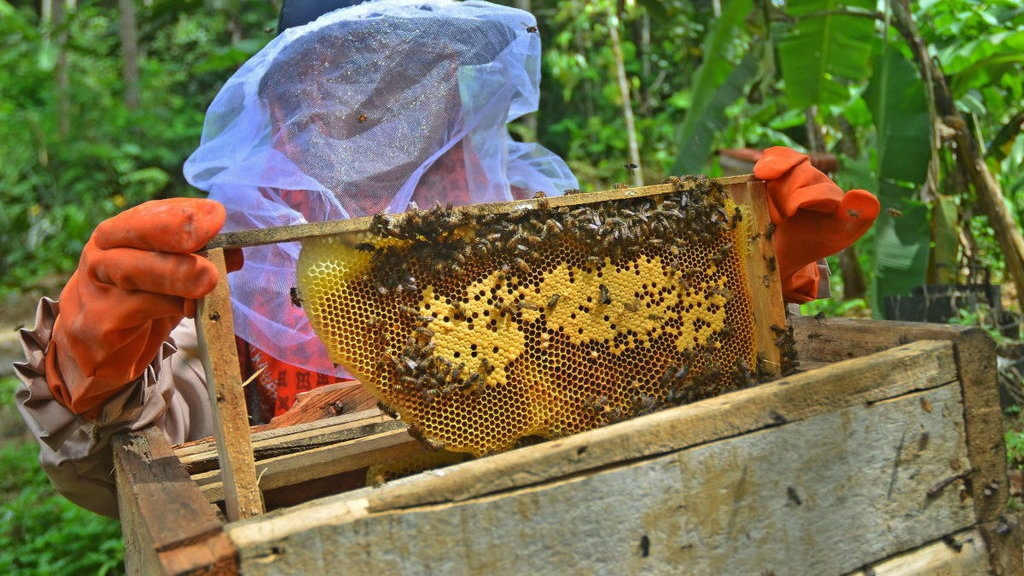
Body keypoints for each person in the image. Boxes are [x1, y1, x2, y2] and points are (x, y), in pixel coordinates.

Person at [14, 0, 878, 518]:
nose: (392, 108)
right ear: (286, 111)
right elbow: (140, 464)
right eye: (356, 80)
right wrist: (88, 379)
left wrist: (740, 280)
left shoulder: (536, 246)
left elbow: (644, 357)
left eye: (422, 74)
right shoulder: (226, 291)